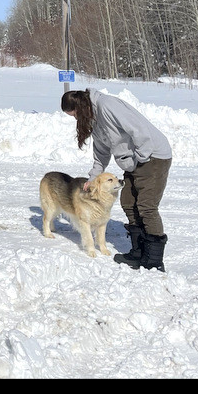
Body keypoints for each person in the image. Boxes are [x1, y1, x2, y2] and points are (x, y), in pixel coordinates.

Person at [60, 88, 173, 271]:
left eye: (74, 115)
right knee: (128, 202)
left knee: (146, 206)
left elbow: (138, 129)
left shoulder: (107, 106)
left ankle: (153, 261)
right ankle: (138, 252)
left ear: (80, 106)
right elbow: (101, 154)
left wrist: (140, 157)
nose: (76, 119)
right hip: (134, 162)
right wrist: (93, 178)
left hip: (153, 157)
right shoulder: (95, 120)